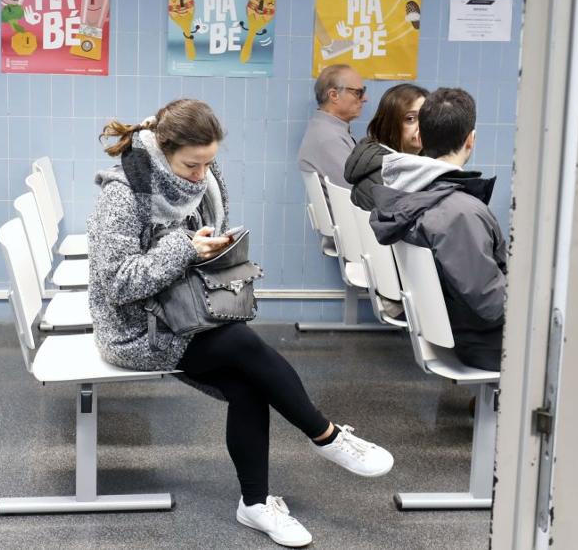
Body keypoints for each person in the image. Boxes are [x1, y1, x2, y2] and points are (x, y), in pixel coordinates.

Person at [87, 99, 393, 548]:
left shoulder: (205, 178)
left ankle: (254, 505)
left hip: (184, 313)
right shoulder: (123, 193)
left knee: (248, 382)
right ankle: (325, 436)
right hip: (135, 330)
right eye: (192, 165)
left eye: (209, 162)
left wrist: (214, 248)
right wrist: (187, 251)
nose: (201, 175)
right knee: (243, 346)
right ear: (163, 150)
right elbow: (117, 283)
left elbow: (205, 234)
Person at [353, 88, 507, 371]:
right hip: (486, 343)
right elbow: (490, 304)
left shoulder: (407, 193)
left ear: (421, 138)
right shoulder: (459, 212)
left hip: (452, 328)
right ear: (471, 140)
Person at [344, 83, 429, 207]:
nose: (421, 126)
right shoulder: (394, 177)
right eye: (410, 119)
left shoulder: (372, 158)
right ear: (389, 124)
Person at [296, 64, 366, 188]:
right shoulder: (329, 137)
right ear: (334, 95)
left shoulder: (327, 130)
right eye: (358, 93)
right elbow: (357, 190)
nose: (365, 98)